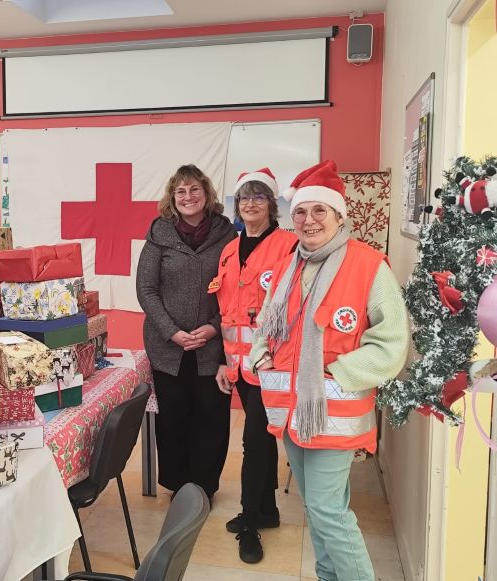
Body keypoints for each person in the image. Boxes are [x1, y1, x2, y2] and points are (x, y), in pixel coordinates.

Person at [250, 160, 410, 581]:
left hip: (333, 414)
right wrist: (260, 357)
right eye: (301, 211)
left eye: (320, 210)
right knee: (317, 508)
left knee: (328, 511)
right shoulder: (289, 265)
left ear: (340, 216)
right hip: (289, 410)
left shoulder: (369, 265)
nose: (308, 220)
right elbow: (265, 322)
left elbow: (392, 344)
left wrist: (337, 373)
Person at [208, 168, 297, 564]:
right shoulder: (230, 248)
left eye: (259, 197)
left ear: (272, 204)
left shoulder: (290, 245)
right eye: (244, 197)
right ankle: (268, 511)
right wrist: (224, 364)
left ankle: (249, 522)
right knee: (262, 438)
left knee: (255, 441)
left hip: (271, 363)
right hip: (239, 367)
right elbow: (226, 313)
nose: (250, 203)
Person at [136, 164, 236, 502]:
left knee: (212, 417)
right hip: (169, 348)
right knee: (174, 418)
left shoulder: (228, 236)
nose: (188, 196)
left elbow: (239, 291)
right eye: (181, 191)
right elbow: (146, 290)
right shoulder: (158, 236)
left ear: (206, 194)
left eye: (194, 189)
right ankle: (179, 487)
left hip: (214, 347)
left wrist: (214, 327)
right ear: (172, 197)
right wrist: (172, 332)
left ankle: (204, 489)